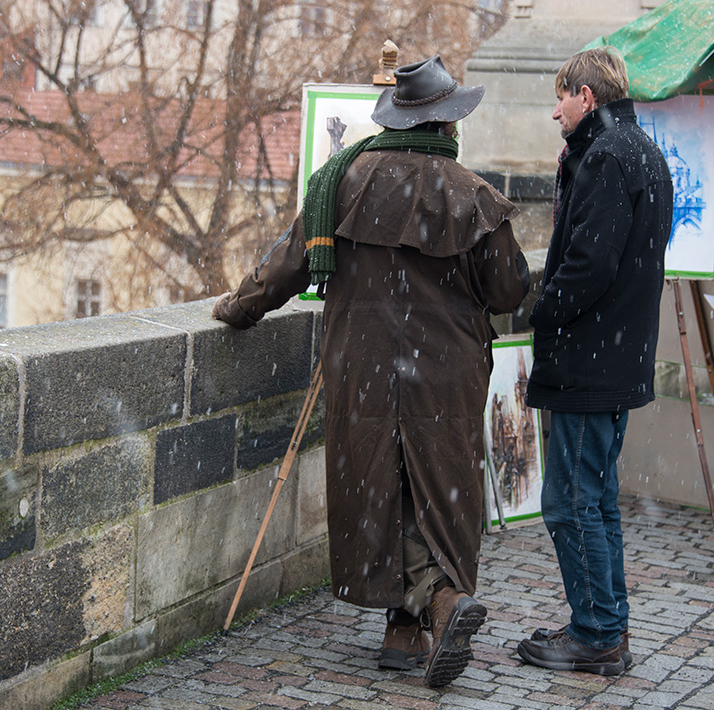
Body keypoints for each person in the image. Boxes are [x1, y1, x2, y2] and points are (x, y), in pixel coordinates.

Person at [211, 55, 530, 688]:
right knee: (441, 488)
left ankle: (403, 630)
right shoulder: (473, 195)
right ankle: (439, 605)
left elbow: (288, 266)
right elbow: (508, 290)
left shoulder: (343, 181)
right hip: (447, 373)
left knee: (380, 486)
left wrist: (238, 306)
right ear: (446, 124)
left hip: (364, 366)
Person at [516, 47, 673, 676]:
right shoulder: (643, 149)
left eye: (562, 97)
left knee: (571, 502)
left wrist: (541, 311)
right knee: (597, 498)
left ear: (587, 96)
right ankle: (605, 624)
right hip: (617, 354)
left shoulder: (607, 156)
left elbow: (589, 265)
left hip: (590, 358)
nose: (555, 112)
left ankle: (597, 634)